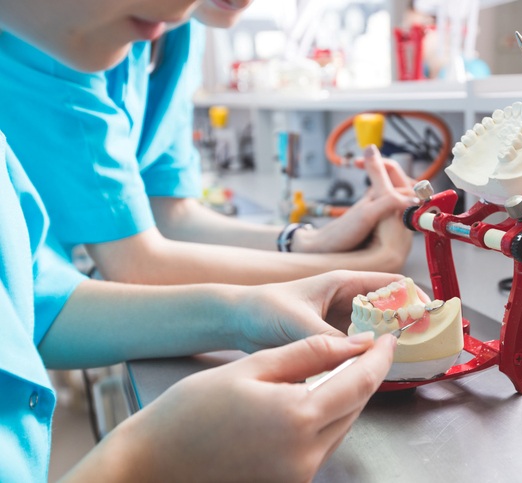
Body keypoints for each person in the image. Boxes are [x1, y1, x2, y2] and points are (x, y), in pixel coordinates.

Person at [0, 1, 402, 480]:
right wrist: (142, 463)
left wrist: (242, 313)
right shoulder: (60, 48)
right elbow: (135, 260)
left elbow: (38, 304)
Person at [0, 0, 416, 287]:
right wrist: (366, 267)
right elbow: (134, 263)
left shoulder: (178, 33)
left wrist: (305, 242)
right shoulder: (70, 39)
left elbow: (170, 215)